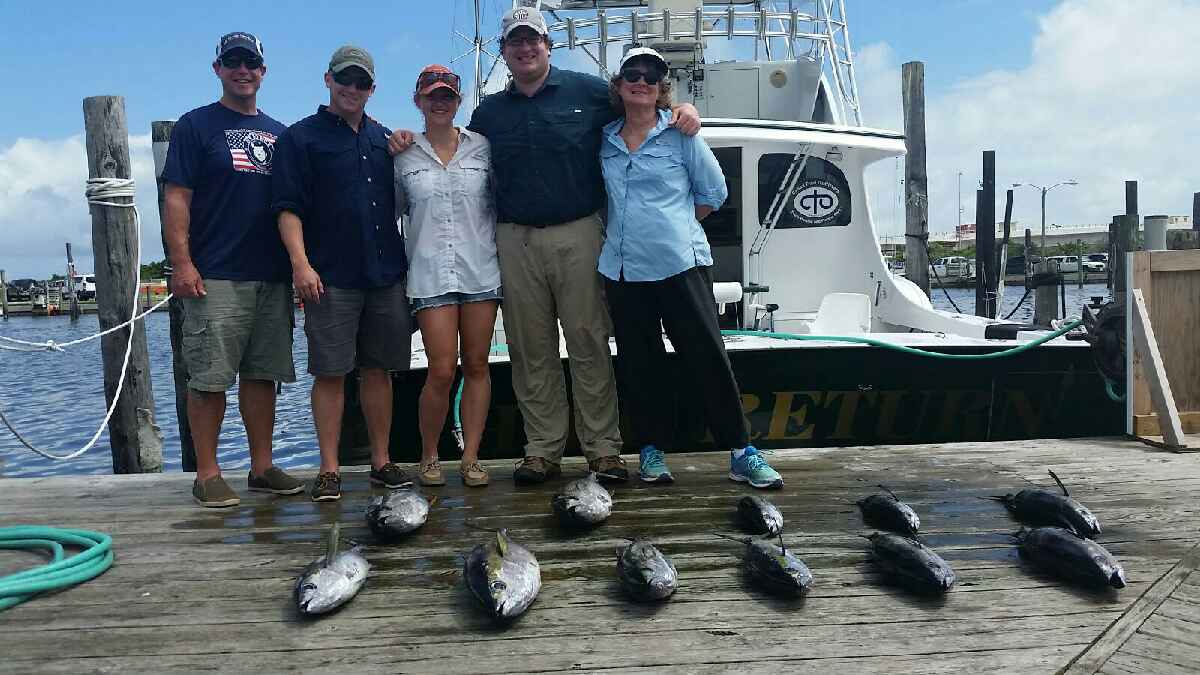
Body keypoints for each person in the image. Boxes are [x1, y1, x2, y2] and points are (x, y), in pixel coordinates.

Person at [392, 7, 701, 484]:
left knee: (587, 343)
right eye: (515, 41)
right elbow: (452, 149)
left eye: (532, 39)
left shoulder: (591, 91)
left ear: (547, 45)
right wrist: (402, 140)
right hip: (514, 241)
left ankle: (603, 450)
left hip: (578, 232)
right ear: (505, 52)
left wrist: (682, 110)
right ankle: (542, 449)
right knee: (529, 349)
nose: (524, 48)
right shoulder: (489, 113)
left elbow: (644, 108)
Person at [599, 48, 783, 489]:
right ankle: (650, 451)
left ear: (662, 86)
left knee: (707, 358)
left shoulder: (682, 135)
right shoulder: (602, 138)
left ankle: (741, 451)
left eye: (651, 75)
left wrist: (675, 226)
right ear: (619, 83)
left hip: (682, 265)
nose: (640, 81)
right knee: (640, 365)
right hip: (624, 272)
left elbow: (713, 194)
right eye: (632, 74)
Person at [162, 31, 305, 508]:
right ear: (218, 68)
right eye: (233, 62)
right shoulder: (195, 126)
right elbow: (176, 197)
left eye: (251, 63)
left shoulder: (281, 134)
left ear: (263, 71)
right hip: (215, 274)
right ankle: (207, 472)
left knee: (264, 376)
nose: (243, 70)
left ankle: (261, 467)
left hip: (271, 275)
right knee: (208, 378)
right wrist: (181, 263)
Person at [272, 45, 412, 502]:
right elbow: (287, 208)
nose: (353, 89)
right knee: (330, 372)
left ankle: (380, 461)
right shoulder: (300, 138)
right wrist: (301, 265)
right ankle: (329, 469)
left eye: (362, 82)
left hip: (385, 273)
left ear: (373, 89)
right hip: (329, 276)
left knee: (379, 370)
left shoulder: (384, 139)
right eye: (345, 79)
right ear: (327, 79)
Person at [394, 65, 499, 488]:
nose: (440, 102)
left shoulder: (484, 148)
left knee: (476, 364)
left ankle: (472, 456)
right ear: (418, 101)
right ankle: (429, 454)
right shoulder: (400, 154)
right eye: (431, 95)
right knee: (441, 368)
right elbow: (389, 212)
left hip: (481, 270)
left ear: (458, 102)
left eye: (448, 96)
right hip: (430, 273)